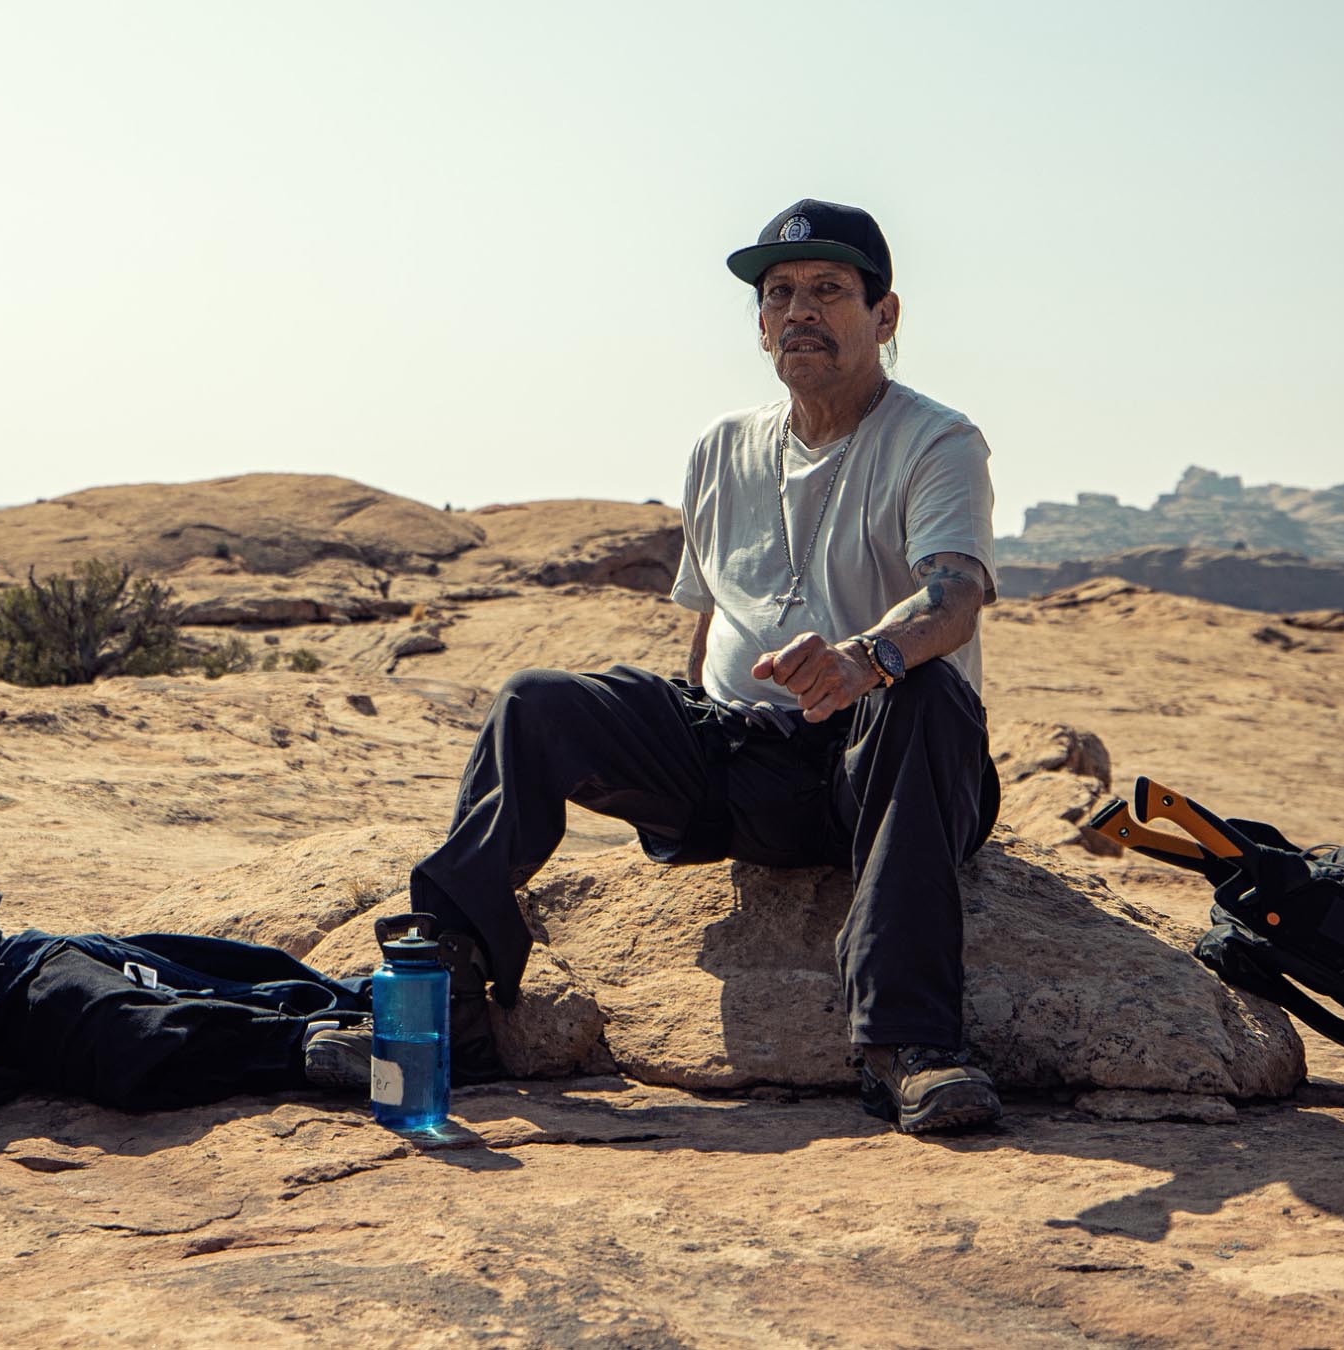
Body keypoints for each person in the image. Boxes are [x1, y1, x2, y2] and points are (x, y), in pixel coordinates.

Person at [404, 199, 1006, 1133]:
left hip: (876, 767)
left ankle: (909, 1046)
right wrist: (680, 737)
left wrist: (864, 659)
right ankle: (441, 998)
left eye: (829, 290)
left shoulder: (937, 441)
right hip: (742, 759)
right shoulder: (722, 447)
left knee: (926, 692)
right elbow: (711, 619)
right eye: (779, 293)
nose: (800, 310)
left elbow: (955, 593)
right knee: (536, 703)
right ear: (761, 324)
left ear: (884, 316)